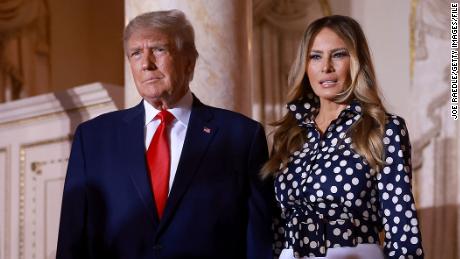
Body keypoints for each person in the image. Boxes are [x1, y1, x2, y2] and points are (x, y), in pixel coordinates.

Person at [56, 9, 273, 259]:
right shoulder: (93, 138)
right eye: (136, 53)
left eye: (159, 49)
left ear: (189, 61)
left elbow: (258, 240)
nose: (146, 64)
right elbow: (72, 238)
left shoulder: (241, 136)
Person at [262, 15, 424, 259]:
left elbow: (402, 229)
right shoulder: (289, 134)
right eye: (315, 56)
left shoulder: (383, 129)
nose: (326, 67)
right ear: (305, 66)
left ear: (356, 62)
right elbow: (276, 226)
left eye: (338, 55)